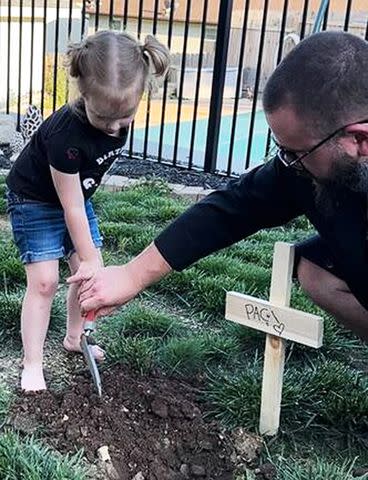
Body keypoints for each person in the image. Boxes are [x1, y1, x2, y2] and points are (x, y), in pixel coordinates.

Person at [69, 31, 368, 342]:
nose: (287, 163)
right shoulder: (306, 168)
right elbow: (234, 208)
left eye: (296, 152)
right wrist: (131, 275)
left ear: (359, 140)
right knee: (316, 271)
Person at [5, 30, 170, 392]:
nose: (113, 127)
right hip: (36, 200)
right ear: (83, 93)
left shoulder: (115, 110)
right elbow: (71, 207)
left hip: (76, 199)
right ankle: (32, 364)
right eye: (103, 116)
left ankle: (74, 337)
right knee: (45, 281)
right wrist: (93, 259)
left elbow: (82, 196)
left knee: (83, 273)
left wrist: (88, 262)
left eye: (123, 117)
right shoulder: (66, 135)